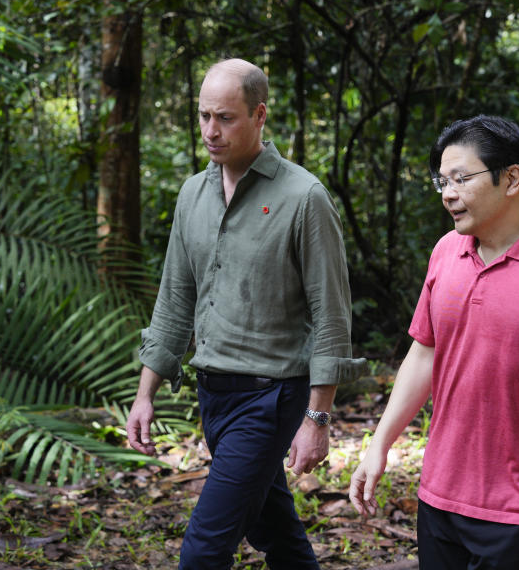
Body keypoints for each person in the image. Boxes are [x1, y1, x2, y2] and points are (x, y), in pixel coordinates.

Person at [126, 58, 365, 570]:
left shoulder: (304, 197)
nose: (211, 131)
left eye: (226, 118)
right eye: (204, 116)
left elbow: (331, 316)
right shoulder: (193, 193)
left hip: (271, 395)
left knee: (203, 551)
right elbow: (174, 298)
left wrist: (317, 418)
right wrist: (145, 393)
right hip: (213, 394)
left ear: (259, 115)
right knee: (277, 534)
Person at [348, 115, 519, 570]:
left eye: (462, 179)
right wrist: (379, 444)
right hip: (439, 496)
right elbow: (423, 354)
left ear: (511, 179)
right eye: (442, 181)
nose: (448, 193)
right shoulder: (447, 251)